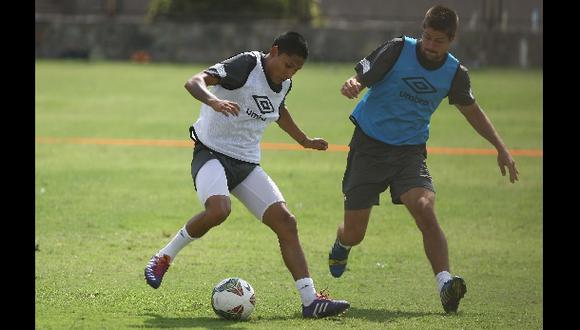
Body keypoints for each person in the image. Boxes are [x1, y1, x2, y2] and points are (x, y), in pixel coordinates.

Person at [327, 5, 519, 314]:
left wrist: (501, 147)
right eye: (427, 37)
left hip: (409, 151)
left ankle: (445, 283)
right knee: (355, 232)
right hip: (369, 146)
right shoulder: (399, 48)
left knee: (425, 208)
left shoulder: (454, 73)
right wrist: (354, 84)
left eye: (438, 41)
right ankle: (342, 244)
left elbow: (472, 110)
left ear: (452, 40)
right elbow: (363, 77)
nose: (430, 45)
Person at [144, 31, 350, 318]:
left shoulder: (284, 83)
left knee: (286, 222)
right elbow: (194, 82)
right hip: (211, 153)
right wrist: (214, 101)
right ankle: (163, 257)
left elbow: (278, 109)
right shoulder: (247, 65)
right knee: (219, 210)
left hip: (246, 163)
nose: (290, 73)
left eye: (297, 70)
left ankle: (310, 300)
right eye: (288, 65)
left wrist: (304, 140)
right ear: (274, 51)